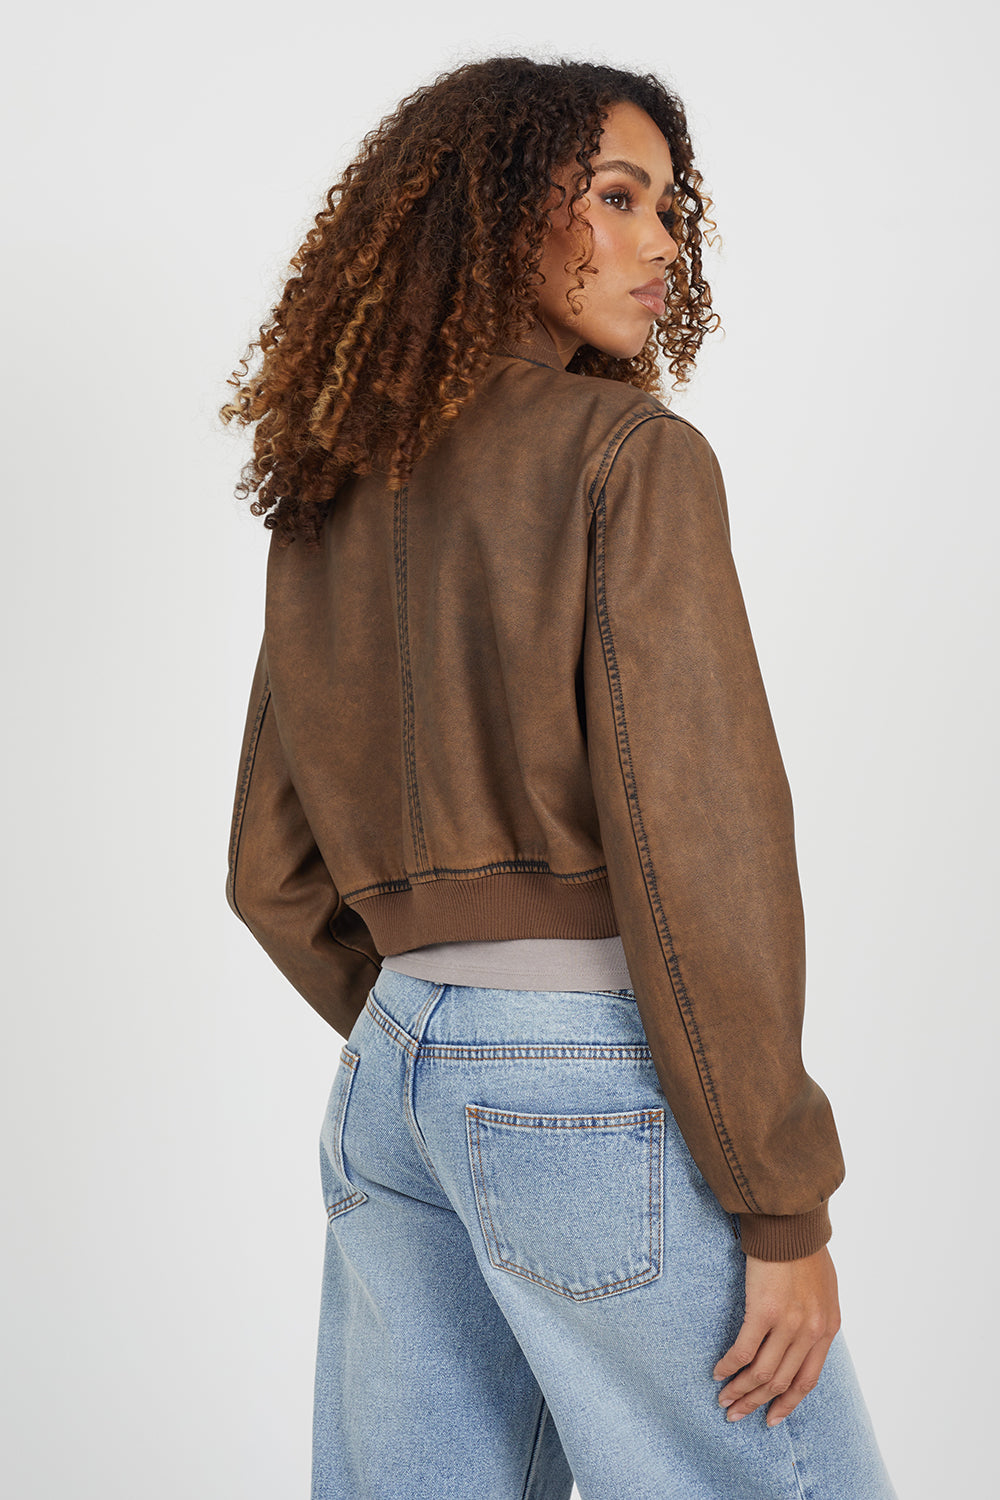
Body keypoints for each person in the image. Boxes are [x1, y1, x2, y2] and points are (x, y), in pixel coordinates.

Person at [220, 54, 897, 1500]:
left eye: (671, 210)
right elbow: (699, 850)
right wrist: (781, 1205)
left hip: (390, 1084)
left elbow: (270, 875)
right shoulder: (632, 455)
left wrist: (447, 1033)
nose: (663, 245)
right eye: (617, 198)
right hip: (588, 1080)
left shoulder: (332, 483)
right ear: (497, 208)